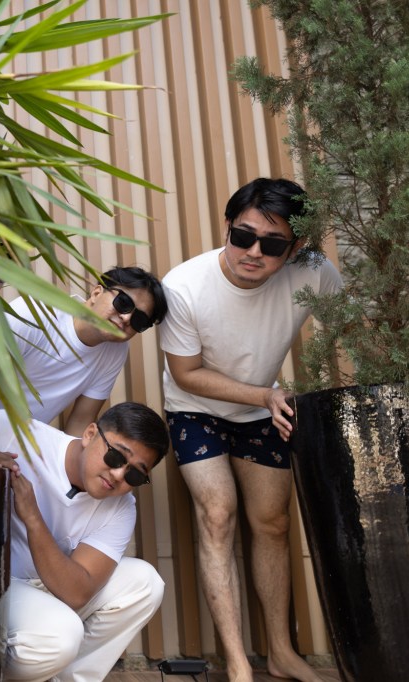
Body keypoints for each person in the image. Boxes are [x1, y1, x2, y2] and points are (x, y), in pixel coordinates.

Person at [159, 177, 341, 682]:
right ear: (227, 226)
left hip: (263, 408)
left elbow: (350, 327)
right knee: (218, 514)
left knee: (273, 523)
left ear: (295, 248)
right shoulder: (184, 286)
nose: (254, 252)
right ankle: (238, 663)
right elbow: (186, 374)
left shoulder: (314, 272)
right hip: (195, 408)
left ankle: (281, 653)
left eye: (273, 244)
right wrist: (264, 395)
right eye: (243, 236)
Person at [0, 402, 170, 681]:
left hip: (55, 584)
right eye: (115, 457)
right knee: (61, 636)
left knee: (145, 583)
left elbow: (76, 593)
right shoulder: (17, 433)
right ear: (90, 434)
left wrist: (32, 517)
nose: (118, 475)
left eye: (134, 474)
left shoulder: (122, 507)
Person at [2, 266, 167, 435]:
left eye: (139, 319)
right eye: (123, 303)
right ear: (96, 293)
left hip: (22, 441)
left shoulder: (116, 351)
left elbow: (81, 420)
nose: (126, 318)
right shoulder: (36, 312)